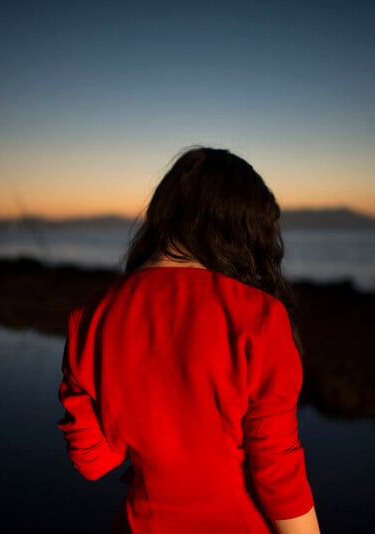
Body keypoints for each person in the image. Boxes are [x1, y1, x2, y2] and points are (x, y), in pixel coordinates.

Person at [58, 147, 320, 533]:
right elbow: (277, 468)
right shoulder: (260, 315)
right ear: (243, 228)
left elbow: (93, 462)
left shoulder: (90, 316)